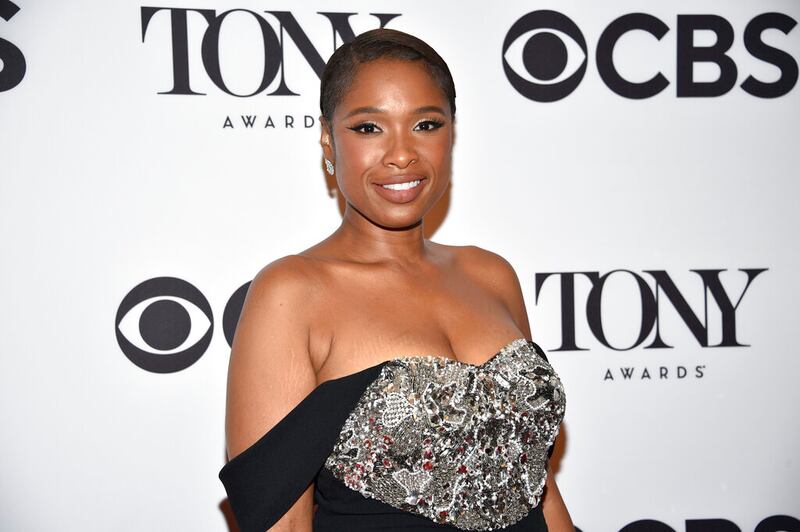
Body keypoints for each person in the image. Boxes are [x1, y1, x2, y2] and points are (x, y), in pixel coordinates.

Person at [218, 28, 573, 532]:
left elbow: (535, 483)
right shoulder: (292, 293)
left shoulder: (491, 274)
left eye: (426, 124)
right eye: (369, 128)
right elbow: (284, 525)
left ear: (453, 132)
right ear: (328, 138)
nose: (402, 154)